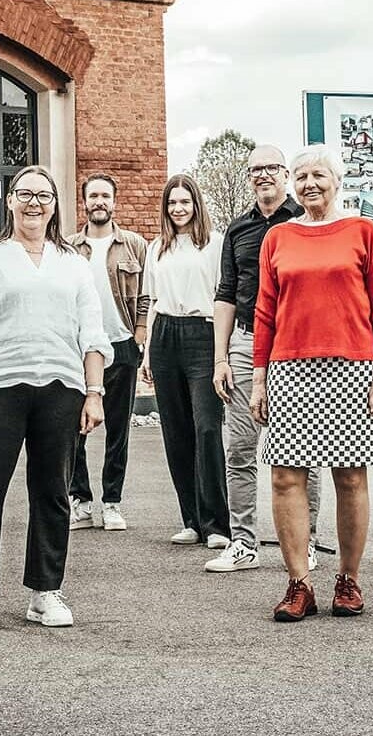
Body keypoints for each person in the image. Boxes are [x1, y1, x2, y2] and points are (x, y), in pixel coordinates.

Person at [0, 166, 109, 632]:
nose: (34, 203)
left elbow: (91, 334)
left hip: (61, 387)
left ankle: (45, 591)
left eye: (43, 195)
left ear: (55, 205)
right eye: (25, 194)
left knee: (53, 492)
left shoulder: (73, 264)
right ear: (10, 201)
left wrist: (93, 393)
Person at [252, 146, 373, 622]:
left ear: (337, 180)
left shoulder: (363, 231)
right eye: (301, 176)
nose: (309, 183)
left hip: (353, 368)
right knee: (284, 476)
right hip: (289, 369)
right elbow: (264, 313)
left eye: (319, 175)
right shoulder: (278, 237)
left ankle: (348, 580)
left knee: (351, 476)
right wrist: (259, 381)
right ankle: (299, 585)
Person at [208, 143, 313, 574]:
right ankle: (244, 542)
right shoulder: (237, 230)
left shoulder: (304, 222)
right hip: (246, 343)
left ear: (285, 174)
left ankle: (305, 544)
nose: (263, 175)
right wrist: (221, 357)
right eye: (255, 170)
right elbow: (226, 295)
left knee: (303, 451)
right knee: (240, 450)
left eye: (271, 168)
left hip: (297, 347)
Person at [141, 174, 227, 548]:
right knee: (175, 431)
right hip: (164, 338)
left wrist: (222, 354)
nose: (178, 209)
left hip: (202, 334)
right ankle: (191, 520)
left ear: (196, 204)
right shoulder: (156, 248)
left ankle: (217, 524)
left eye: (184, 202)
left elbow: (224, 300)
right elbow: (152, 303)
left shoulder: (214, 244)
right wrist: (146, 354)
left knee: (206, 429)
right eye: (172, 203)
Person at [64, 173, 148, 533]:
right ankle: (80, 502)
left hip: (122, 344)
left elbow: (145, 294)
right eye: (93, 196)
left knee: (118, 431)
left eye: (105, 196)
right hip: (81, 348)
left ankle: (112, 502)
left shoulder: (134, 244)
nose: (99, 202)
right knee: (73, 429)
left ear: (114, 201)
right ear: (84, 201)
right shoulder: (68, 247)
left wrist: (140, 334)